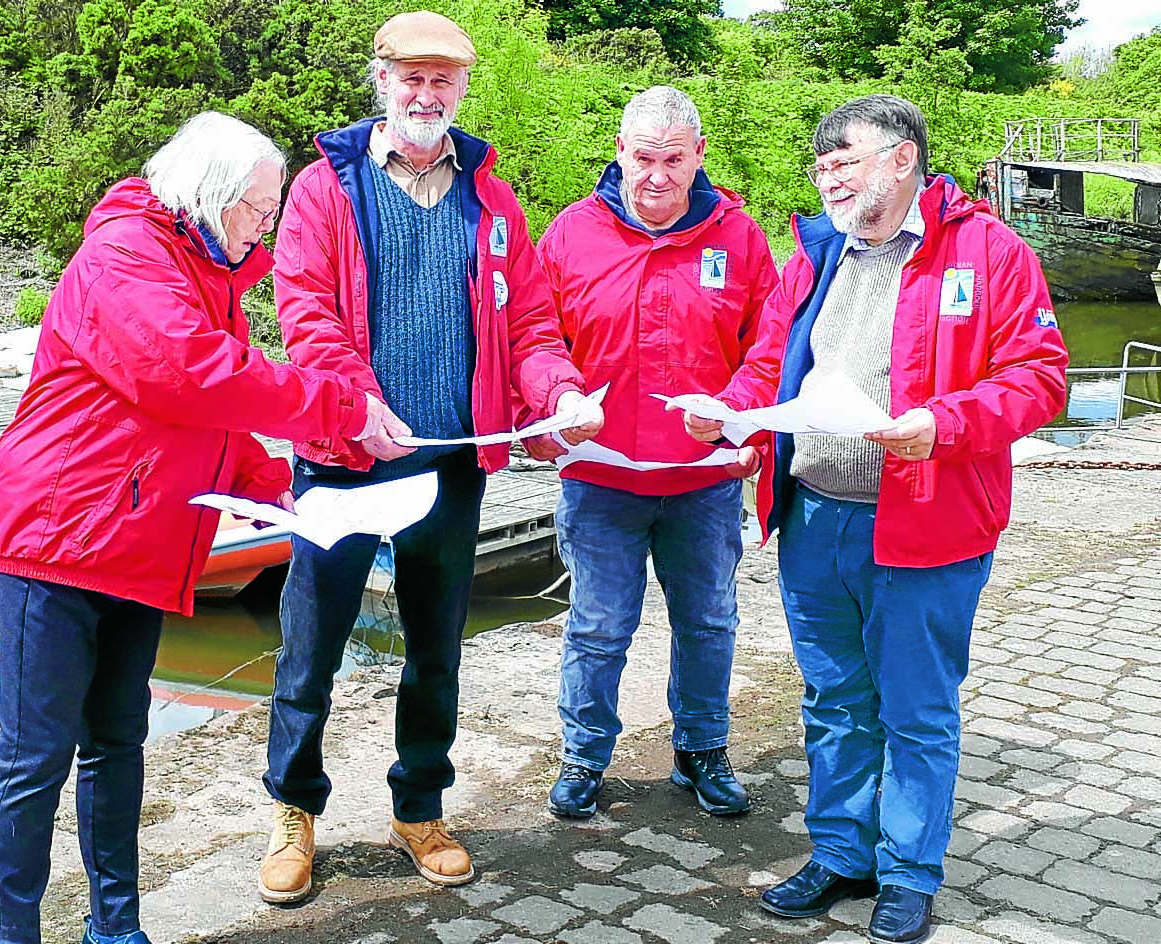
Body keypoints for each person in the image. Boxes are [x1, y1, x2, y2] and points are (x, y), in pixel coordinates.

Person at [0, 111, 388, 944]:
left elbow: (219, 418)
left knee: (118, 741)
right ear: (209, 194)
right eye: (257, 206)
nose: (267, 222)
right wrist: (342, 403)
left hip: (137, 545)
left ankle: (114, 928)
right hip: (55, 545)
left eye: (273, 207)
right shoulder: (124, 254)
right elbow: (190, 375)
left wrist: (273, 488)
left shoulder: (211, 274)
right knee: (34, 762)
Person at [683, 95, 1068, 944]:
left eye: (843, 159)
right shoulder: (815, 253)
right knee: (832, 701)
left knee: (916, 710)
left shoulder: (987, 249)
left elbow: (1040, 378)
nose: (826, 175)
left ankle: (907, 872)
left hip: (926, 523)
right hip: (815, 520)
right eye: (819, 164)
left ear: (901, 160)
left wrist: (945, 422)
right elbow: (771, 362)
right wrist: (732, 410)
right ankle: (840, 853)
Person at [258, 10, 602, 900]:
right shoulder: (324, 187)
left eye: (442, 80)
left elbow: (528, 320)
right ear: (380, 81)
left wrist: (558, 390)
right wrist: (356, 400)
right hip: (342, 454)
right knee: (311, 646)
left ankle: (418, 807)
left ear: (461, 90)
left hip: (451, 462)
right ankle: (294, 810)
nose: (426, 94)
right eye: (411, 77)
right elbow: (304, 312)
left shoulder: (491, 194)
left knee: (436, 649)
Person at [526, 86, 778, 821]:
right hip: (601, 475)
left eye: (674, 159)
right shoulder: (571, 234)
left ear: (700, 156)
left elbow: (772, 346)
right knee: (599, 627)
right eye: (644, 158)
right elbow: (537, 340)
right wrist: (560, 398)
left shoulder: (741, 239)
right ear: (620, 152)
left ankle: (702, 749)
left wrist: (735, 410)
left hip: (704, 480)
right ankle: (583, 756)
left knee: (709, 620)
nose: (658, 175)